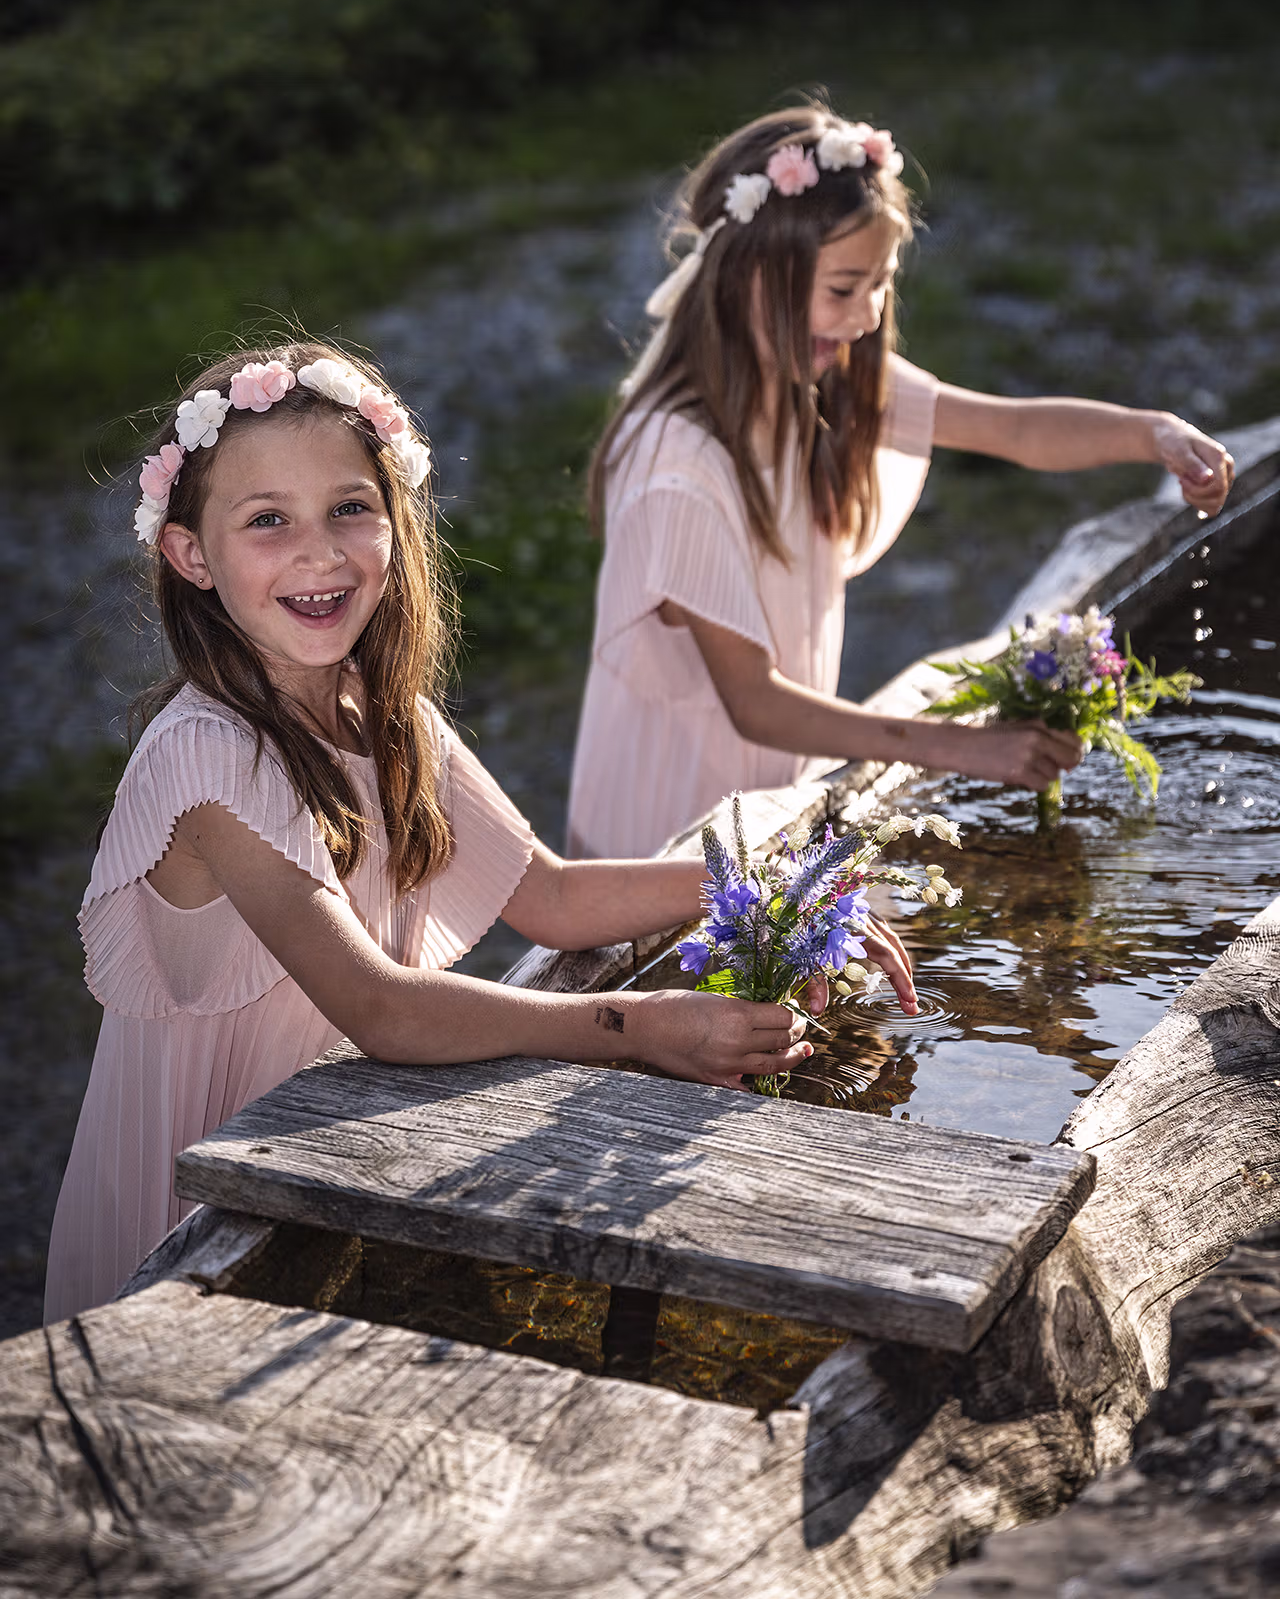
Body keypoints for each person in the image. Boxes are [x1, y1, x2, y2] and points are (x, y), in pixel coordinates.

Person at [45, 338, 917, 1322]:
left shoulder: (381, 710)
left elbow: (550, 897)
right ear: (190, 555)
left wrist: (769, 888)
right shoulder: (205, 758)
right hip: (193, 1210)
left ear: (395, 519)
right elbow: (378, 1006)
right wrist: (632, 1030)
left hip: (330, 1151)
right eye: (266, 521)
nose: (321, 551)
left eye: (349, 508)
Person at [567, 103, 1235, 860]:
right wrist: (960, 744)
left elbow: (1013, 429)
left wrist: (1153, 432)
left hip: (767, 797)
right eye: (843, 289)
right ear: (750, 278)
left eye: (880, 284)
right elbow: (753, 704)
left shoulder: (825, 377)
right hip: (666, 822)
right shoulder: (678, 470)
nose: (864, 318)